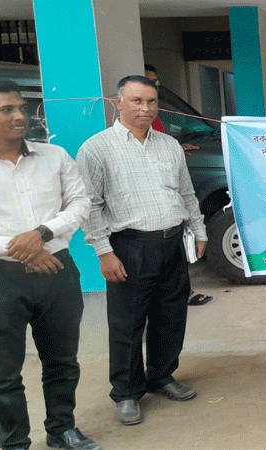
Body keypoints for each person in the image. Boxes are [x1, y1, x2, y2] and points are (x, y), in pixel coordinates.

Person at [0, 79, 100, 449]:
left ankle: (62, 430)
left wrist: (40, 234)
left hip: (57, 273)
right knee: (2, 373)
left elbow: (80, 203)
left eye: (21, 108)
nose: (19, 116)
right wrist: (19, 248)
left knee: (62, 361)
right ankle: (14, 443)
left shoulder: (54, 156)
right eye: (6, 110)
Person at [76, 75, 207, 425]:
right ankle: (127, 392)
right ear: (118, 102)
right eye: (136, 101)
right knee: (127, 324)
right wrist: (104, 251)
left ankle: (162, 376)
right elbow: (89, 205)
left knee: (171, 316)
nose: (145, 109)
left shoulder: (169, 145)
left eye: (151, 102)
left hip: (171, 243)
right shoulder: (97, 148)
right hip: (128, 247)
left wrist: (199, 229)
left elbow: (187, 193)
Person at [143, 64, 211, 306]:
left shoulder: (157, 114)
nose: (155, 87)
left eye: (156, 82)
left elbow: (157, 140)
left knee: (176, 242)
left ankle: (183, 290)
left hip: (169, 193)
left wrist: (175, 147)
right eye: (149, 81)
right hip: (147, 204)